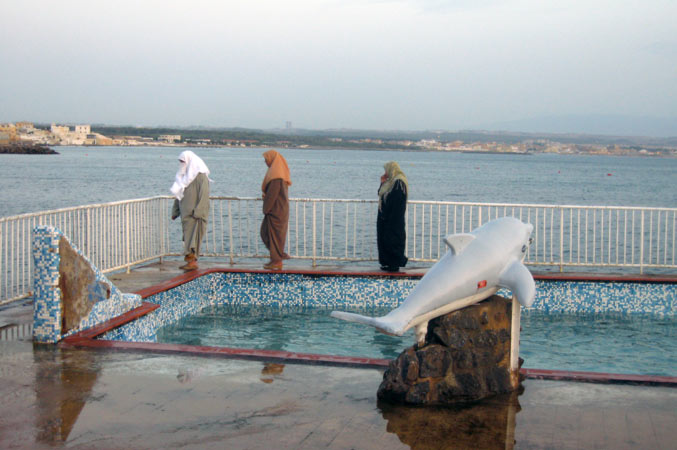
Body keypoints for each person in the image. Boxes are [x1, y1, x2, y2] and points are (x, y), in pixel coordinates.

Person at [170, 151, 211, 271]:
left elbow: (204, 194)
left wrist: (199, 211)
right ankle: (190, 260)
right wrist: (175, 211)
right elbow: (179, 194)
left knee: (193, 238)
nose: (182, 164)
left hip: (195, 214)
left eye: (183, 161)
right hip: (186, 214)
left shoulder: (200, 176)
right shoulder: (183, 177)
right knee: (187, 238)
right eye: (180, 161)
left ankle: (192, 262)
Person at [260, 149, 291, 270]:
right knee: (269, 234)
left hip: (275, 211)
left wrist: (266, 209)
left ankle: (277, 260)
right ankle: (277, 257)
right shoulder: (278, 174)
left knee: (273, 236)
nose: (265, 162)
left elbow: (272, 195)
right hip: (278, 209)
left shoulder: (276, 177)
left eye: (266, 159)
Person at [377, 161, 409, 272]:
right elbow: (380, 193)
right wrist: (382, 182)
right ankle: (387, 262)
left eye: (386, 170)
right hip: (385, 217)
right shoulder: (390, 182)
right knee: (384, 239)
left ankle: (394, 264)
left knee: (393, 239)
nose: (385, 172)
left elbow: (397, 200)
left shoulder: (399, 182)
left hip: (394, 218)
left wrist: (390, 215)